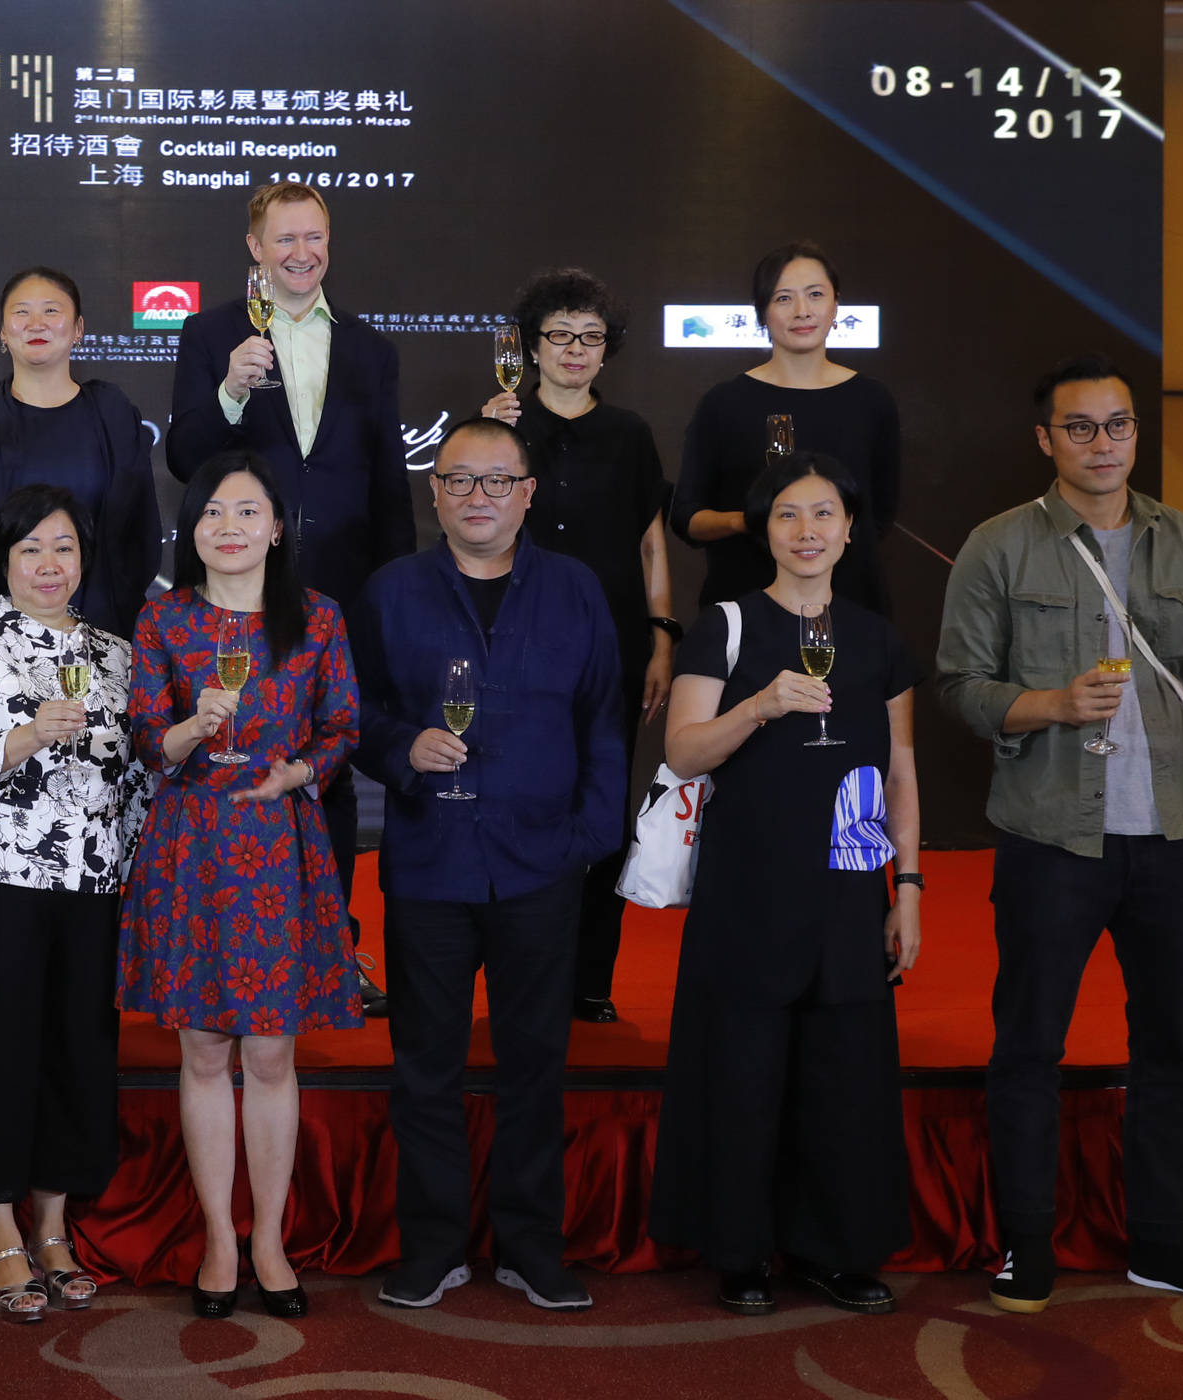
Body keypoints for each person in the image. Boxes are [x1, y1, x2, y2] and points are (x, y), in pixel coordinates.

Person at [936, 354, 1183, 1315]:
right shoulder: (1000, 546)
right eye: (1079, 428)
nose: (1102, 444)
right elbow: (960, 687)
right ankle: (1027, 1247)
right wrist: (1050, 703)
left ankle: (1162, 1246)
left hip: (1172, 842)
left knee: (1173, 1048)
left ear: (1135, 432)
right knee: (1028, 1047)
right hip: (1051, 839)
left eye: (1116, 425)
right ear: (1045, 440)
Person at [349, 417, 624, 1313]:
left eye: (497, 481)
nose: (478, 497)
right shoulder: (391, 591)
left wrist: (591, 839)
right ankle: (433, 1249)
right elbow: (354, 713)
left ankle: (530, 1247)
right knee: (424, 1066)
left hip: (542, 863)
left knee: (535, 1062)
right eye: (459, 480)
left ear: (527, 493)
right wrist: (401, 747)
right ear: (434, 492)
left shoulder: (575, 589)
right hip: (430, 860)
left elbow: (604, 718)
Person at [648, 451, 921, 1318]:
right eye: (788, 515)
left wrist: (908, 887)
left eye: (824, 514)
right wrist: (761, 705)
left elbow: (900, 767)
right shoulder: (725, 626)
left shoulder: (878, 638)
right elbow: (683, 751)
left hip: (849, 883)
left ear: (850, 530)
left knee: (844, 1076)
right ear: (765, 531)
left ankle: (834, 1251)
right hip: (750, 884)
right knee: (743, 1072)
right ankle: (741, 1251)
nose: (807, 531)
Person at [117, 450, 365, 1321]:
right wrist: (192, 728)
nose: (229, 527)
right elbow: (146, 739)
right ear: (191, 529)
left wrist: (301, 773)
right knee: (202, 1050)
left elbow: (343, 726)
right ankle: (221, 1238)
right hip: (192, 846)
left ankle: (270, 1240)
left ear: (277, 528)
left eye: (248, 511)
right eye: (213, 512)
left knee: (269, 1053)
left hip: (276, 844)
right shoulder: (164, 618)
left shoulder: (318, 617)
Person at [168, 181, 415, 1015]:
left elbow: (388, 483)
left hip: (339, 591)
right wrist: (231, 392)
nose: (301, 253)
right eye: (284, 239)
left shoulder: (371, 348)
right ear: (255, 248)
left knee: (327, 771)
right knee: (228, 763)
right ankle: (221, 951)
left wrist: (395, 591)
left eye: (315, 237)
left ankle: (329, 952)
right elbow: (184, 458)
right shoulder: (212, 335)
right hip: (237, 595)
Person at [0, 484, 153, 1323]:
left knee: (74, 1053)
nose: (49, 565)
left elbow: (135, 777)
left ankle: (52, 1228)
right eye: (31, 549)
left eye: (64, 547)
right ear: (3, 559)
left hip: (88, 886)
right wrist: (26, 736)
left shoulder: (117, 654)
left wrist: (130, 862)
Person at [481, 267, 679, 1023]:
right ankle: (518, 973)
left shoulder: (629, 434)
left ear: (607, 349)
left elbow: (652, 544)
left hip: (611, 644)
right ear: (531, 346)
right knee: (516, 802)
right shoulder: (501, 425)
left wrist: (662, 637)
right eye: (559, 334)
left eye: (590, 337)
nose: (574, 348)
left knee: (601, 808)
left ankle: (590, 978)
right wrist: (488, 438)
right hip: (515, 646)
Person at [0, 266, 160, 638]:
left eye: (51, 310)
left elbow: (141, 533)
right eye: (21, 312)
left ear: (79, 329)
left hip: (99, 624)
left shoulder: (111, 411)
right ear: (3, 332)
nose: (36, 323)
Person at [672, 241, 900, 613]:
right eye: (783, 298)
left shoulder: (871, 400)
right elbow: (687, 516)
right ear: (761, 311)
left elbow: (880, 515)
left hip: (848, 603)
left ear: (836, 304)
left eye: (815, 295)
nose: (802, 311)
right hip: (748, 604)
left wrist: (821, 544)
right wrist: (748, 521)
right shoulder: (725, 402)